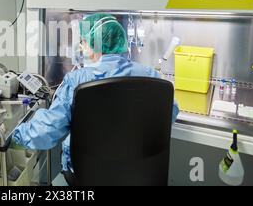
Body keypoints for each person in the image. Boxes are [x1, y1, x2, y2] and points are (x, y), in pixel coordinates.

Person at [13, 14, 180, 173]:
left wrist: (16, 136)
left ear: (94, 44)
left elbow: (47, 131)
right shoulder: (150, 76)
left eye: (84, 42)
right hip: (139, 170)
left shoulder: (77, 81)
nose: (81, 46)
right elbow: (170, 112)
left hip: (88, 171)